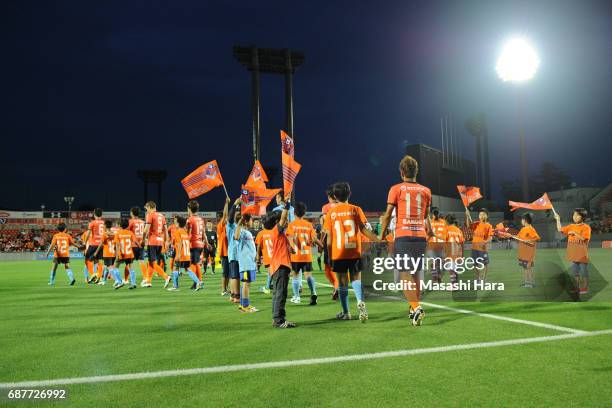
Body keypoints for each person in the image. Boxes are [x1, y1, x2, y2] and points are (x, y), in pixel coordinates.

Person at [379, 155, 431, 326]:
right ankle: (412, 309)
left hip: (403, 235)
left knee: (404, 274)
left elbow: (387, 215)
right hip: (420, 236)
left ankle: (416, 307)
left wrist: (381, 235)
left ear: (401, 172)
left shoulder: (396, 188)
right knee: (416, 273)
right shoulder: (426, 191)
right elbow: (426, 218)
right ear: (417, 171)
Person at [324, 182, 380, 322]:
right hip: (354, 252)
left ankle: (346, 312)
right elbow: (364, 229)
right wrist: (377, 239)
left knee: (342, 284)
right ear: (349, 194)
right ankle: (361, 303)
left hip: (338, 253)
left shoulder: (331, 213)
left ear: (335, 196)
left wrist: (330, 257)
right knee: (356, 280)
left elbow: (329, 238)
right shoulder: (356, 209)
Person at [262, 197, 296, 328]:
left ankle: (277, 318)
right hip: (280, 266)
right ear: (276, 222)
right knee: (281, 294)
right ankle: (279, 320)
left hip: (276, 266)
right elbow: (283, 218)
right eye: (282, 218)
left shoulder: (272, 233)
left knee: (278, 294)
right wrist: (287, 205)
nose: (285, 220)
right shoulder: (276, 231)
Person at [287, 202, 323, 305]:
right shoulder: (309, 225)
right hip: (307, 255)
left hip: (296, 255)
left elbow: (290, 238)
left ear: (294, 213)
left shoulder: (292, 225)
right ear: (304, 213)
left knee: (295, 275)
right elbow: (314, 239)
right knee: (308, 275)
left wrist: (292, 247)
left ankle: (297, 297)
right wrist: (321, 245)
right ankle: (314, 293)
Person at [554, 208, 591, 295]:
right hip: (573, 255)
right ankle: (577, 288)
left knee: (583, 272)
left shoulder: (586, 227)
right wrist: (558, 220)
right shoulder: (571, 226)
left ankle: (585, 288)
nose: (574, 217)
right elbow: (560, 229)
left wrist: (574, 233)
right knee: (575, 273)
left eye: (577, 215)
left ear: (582, 217)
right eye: (574, 215)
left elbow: (584, 239)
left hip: (582, 255)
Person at [143, 201, 171, 288]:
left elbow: (146, 230)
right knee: (152, 262)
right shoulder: (162, 216)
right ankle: (148, 281)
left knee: (153, 263)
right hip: (160, 242)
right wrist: (166, 241)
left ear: (150, 207)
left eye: (146, 208)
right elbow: (166, 229)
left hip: (152, 241)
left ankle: (166, 277)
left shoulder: (150, 215)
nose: (146, 210)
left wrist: (143, 239)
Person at [234, 213, 259, 312]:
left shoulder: (246, 232)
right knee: (246, 284)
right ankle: (245, 306)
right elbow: (236, 237)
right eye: (251, 220)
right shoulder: (241, 232)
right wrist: (240, 222)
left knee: (245, 284)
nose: (252, 222)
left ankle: (242, 305)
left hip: (250, 263)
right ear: (246, 221)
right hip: (245, 264)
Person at [169, 216, 201, 291]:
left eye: (175, 221)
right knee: (187, 269)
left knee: (175, 268)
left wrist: (179, 254)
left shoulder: (177, 232)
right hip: (187, 254)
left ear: (178, 223)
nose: (174, 222)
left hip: (181, 254)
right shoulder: (184, 232)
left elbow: (180, 243)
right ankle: (198, 282)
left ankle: (175, 286)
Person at [320, 185, 339, 299]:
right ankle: (339, 287)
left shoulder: (326, 208)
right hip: (342, 240)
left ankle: (336, 285)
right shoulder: (344, 206)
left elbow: (325, 226)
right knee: (342, 267)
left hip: (330, 239)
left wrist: (321, 241)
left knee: (328, 267)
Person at [465, 208, 493, 283]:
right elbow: (468, 226)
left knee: (485, 264)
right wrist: (467, 216)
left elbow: (490, 237)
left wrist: (485, 242)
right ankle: (478, 279)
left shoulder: (488, 225)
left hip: (483, 248)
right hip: (474, 247)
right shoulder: (476, 223)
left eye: (483, 214)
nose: (481, 216)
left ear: (487, 216)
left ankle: (484, 279)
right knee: (475, 264)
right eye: (480, 214)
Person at [110, 218, 138, 290]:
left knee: (115, 268)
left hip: (121, 253)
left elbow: (117, 245)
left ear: (120, 225)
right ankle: (133, 283)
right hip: (129, 253)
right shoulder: (130, 233)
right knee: (131, 268)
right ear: (128, 225)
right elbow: (135, 242)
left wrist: (118, 254)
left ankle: (120, 282)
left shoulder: (118, 233)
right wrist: (140, 247)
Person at [187, 200, 209, 284]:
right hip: (200, 244)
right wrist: (207, 243)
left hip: (193, 244)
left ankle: (198, 281)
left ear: (189, 209)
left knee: (193, 263)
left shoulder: (190, 220)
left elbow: (188, 234)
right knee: (195, 263)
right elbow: (203, 233)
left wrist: (185, 244)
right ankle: (198, 281)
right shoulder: (201, 219)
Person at [82, 208, 105, 284]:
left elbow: (88, 234)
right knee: (99, 261)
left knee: (87, 260)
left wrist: (85, 243)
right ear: (101, 215)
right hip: (101, 245)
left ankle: (93, 275)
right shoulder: (104, 223)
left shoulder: (92, 223)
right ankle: (99, 277)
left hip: (93, 244)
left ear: (94, 215)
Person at [226, 197, 242, 303]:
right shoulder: (231, 226)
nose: (238, 214)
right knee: (235, 276)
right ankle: (237, 296)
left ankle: (232, 295)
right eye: (237, 213)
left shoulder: (238, 226)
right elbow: (230, 217)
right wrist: (234, 204)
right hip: (234, 254)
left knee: (233, 276)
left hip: (235, 254)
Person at [426, 207, 448, 284]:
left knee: (442, 265)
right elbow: (426, 235)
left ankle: (439, 277)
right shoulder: (429, 222)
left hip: (442, 246)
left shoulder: (444, 222)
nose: (436, 214)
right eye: (434, 213)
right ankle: (435, 278)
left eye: (437, 213)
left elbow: (446, 235)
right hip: (432, 246)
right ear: (432, 214)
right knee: (433, 262)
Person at [94, 220, 118, 285]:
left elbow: (101, 244)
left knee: (109, 267)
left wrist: (96, 252)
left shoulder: (104, 234)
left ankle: (116, 280)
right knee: (106, 267)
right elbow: (116, 243)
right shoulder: (114, 234)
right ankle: (104, 281)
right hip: (113, 253)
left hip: (107, 253)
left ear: (105, 226)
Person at [128, 207, 147, 286]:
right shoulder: (142, 222)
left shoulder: (131, 221)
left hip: (133, 243)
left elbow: (127, 232)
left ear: (132, 213)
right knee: (141, 260)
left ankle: (128, 280)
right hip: (141, 243)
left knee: (129, 261)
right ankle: (145, 278)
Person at [445, 214, 465, 284]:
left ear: (447, 221)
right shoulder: (458, 230)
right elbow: (462, 243)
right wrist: (462, 255)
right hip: (458, 252)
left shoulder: (446, 229)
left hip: (450, 252)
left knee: (451, 269)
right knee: (455, 269)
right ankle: (456, 284)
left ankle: (453, 285)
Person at [217, 197, 230, 296]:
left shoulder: (228, 226)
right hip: (225, 252)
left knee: (229, 272)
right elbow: (225, 215)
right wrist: (226, 203)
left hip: (229, 252)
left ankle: (227, 288)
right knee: (225, 272)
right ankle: (223, 289)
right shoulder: (221, 225)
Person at [255, 226, 274, 295]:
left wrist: (258, 256)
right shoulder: (274, 231)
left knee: (270, 272)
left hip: (267, 256)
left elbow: (259, 246)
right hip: (275, 255)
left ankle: (267, 287)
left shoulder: (261, 233)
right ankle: (269, 285)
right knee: (272, 272)